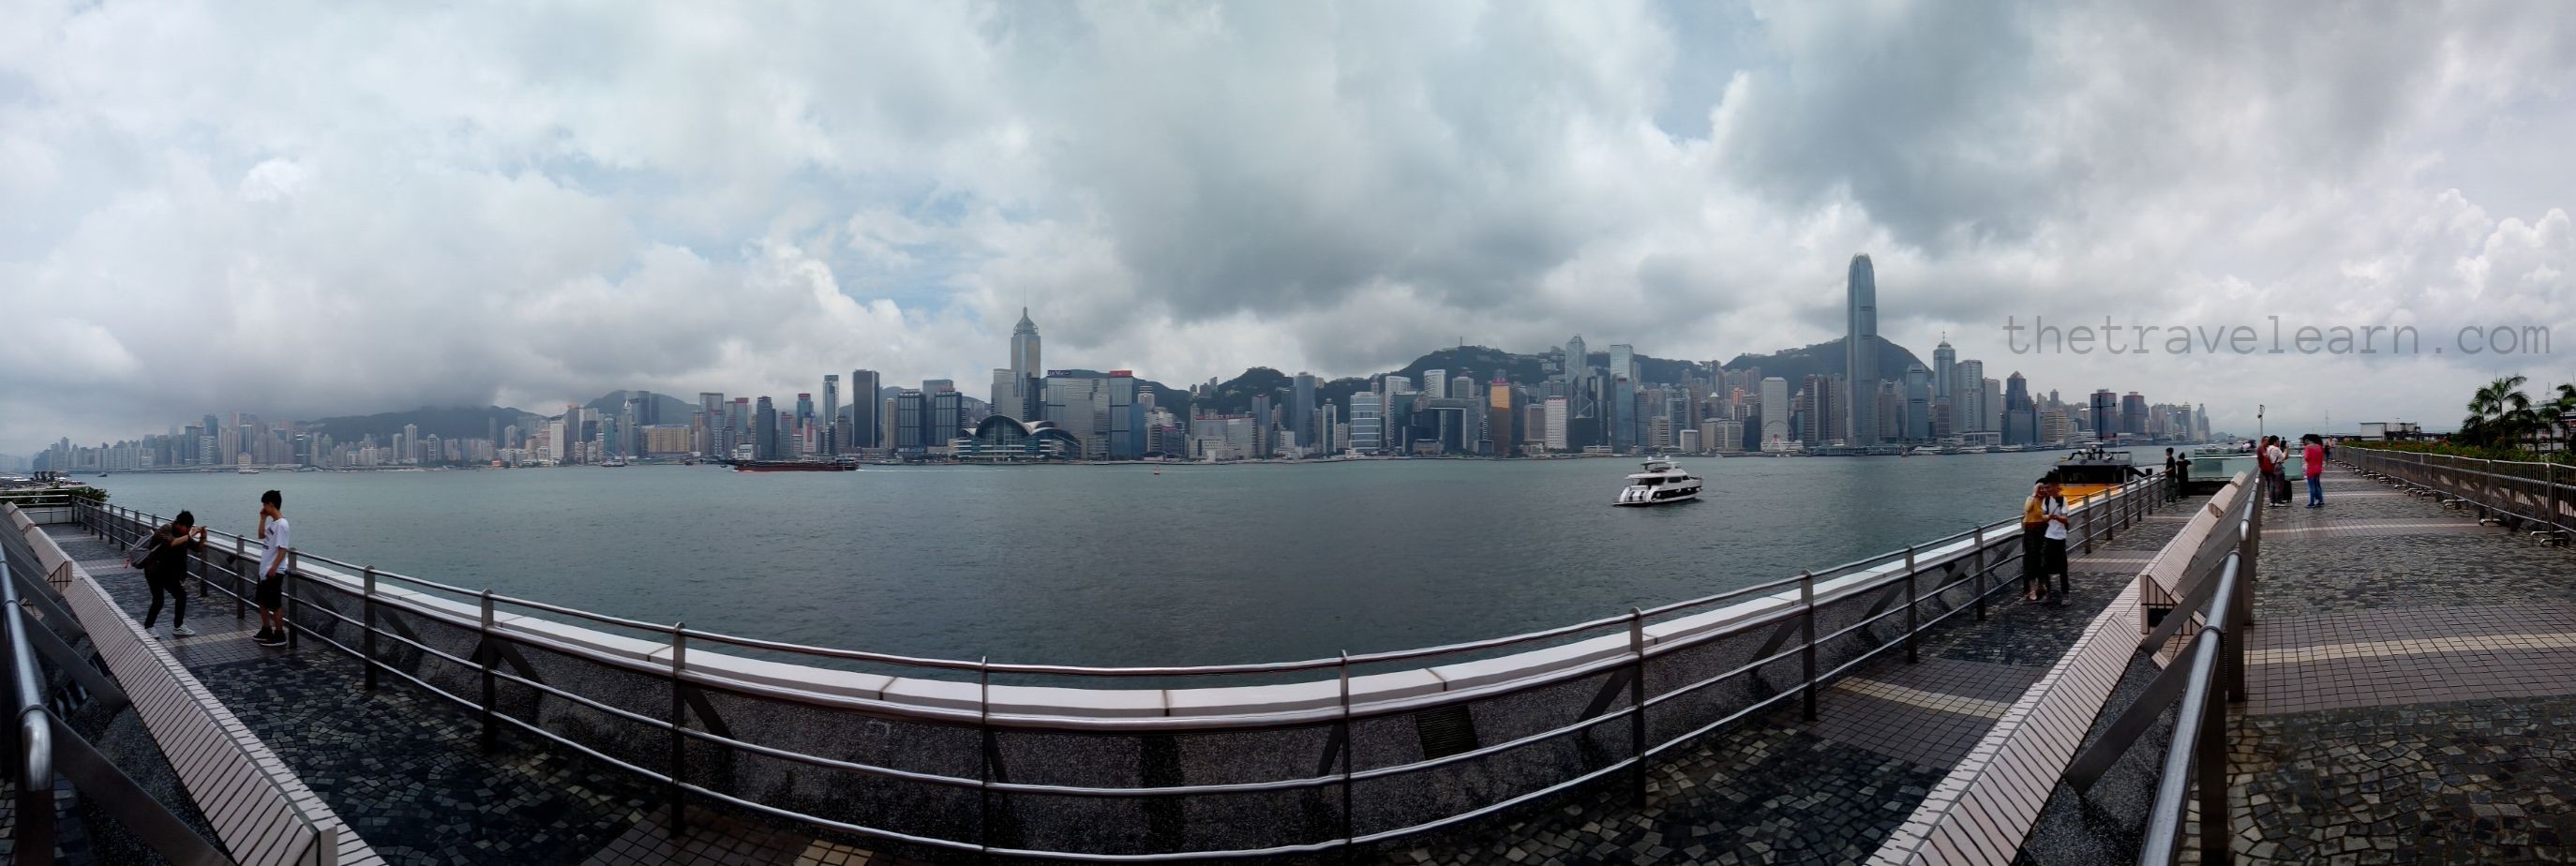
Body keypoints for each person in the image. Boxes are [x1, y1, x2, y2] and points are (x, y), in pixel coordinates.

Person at [138, 510, 206, 637]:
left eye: (190, 527)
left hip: (169, 573)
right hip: (154, 570)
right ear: (179, 524)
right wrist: (190, 534)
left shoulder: (184, 534)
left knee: (181, 596)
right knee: (158, 600)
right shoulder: (166, 529)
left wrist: (203, 537)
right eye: (187, 527)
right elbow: (172, 542)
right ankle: (148, 627)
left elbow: (197, 548)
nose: (188, 530)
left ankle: (178, 626)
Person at [253, 489, 291, 648]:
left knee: (275, 604)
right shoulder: (273, 523)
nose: (263, 508)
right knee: (262, 601)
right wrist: (262, 518)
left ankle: (280, 635)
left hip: (273, 571)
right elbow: (261, 535)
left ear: (271, 504)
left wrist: (274, 568)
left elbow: (283, 549)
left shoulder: (282, 524)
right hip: (265, 570)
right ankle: (266, 630)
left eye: (264, 505)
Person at [2039, 478, 2072, 605]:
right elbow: (2042, 516)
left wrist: (2057, 517)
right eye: (2045, 488)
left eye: (2048, 487)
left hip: (2060, 537)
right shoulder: (2046, 500)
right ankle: (2048, 593)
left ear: (2055, 486)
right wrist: (2046, 517)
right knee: (2044, 566)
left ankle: (2066, 594)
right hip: (2049, 535)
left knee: (2062, 567)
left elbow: (2065, 519)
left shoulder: (2063, 500)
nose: (2046, 490)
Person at [2021, 477, 2051, 603]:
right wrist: (2034, 494)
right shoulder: (2031, 499)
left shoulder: (2046, 501)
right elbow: (2027, 509)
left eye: (2044, 488)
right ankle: (2031, 589)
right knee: (2032, 560)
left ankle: (2040, 585)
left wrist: (2048, 517)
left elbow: (2043, 516)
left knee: (2043, 559)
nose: (2042, 490)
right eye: (2039, 488)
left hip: (2043, 531)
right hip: (2031, 532)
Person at [2303, 434, 2327, 508]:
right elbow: (2321, 457)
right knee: (2317, 486)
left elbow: (2307, 458)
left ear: (2307, 440)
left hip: (2311, 469)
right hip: (2318, 469)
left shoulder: (2308, 447)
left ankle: (2311, 503)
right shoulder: (2319, 447)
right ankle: (2320, 501)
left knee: (2311, 487)